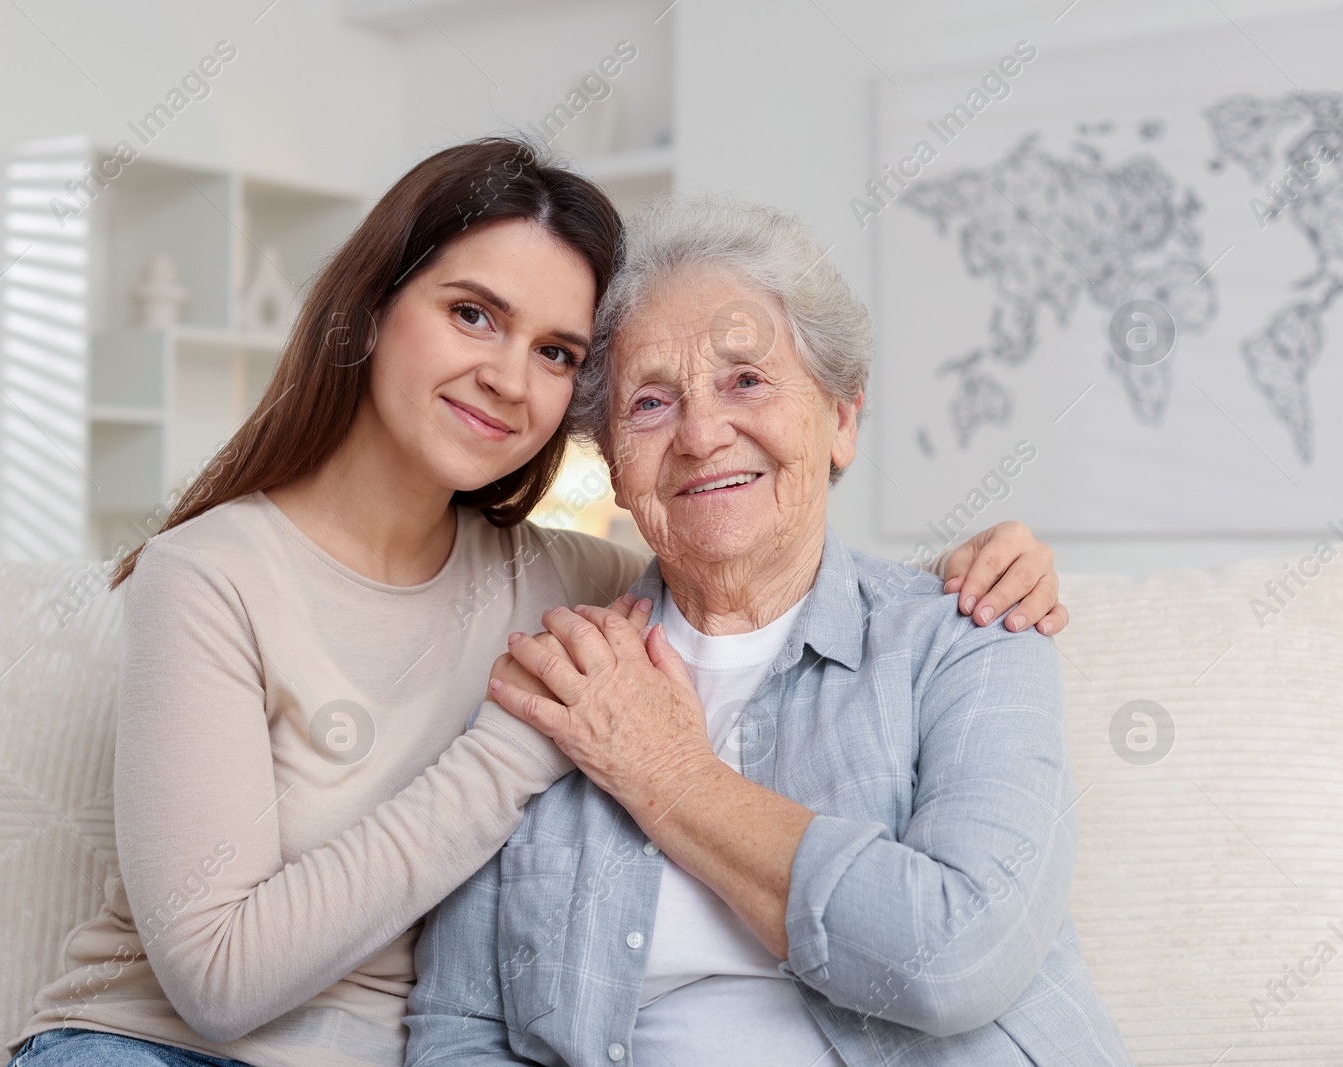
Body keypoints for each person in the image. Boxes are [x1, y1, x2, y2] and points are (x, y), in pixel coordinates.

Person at [6, 141, 1069, 1067]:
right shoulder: (230, 579)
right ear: (371, 309)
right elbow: (248, 983)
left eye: (556, 352)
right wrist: (521, 743)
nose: (509, 380)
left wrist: (972, 569)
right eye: (473, 313)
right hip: (155, 1045)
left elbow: (748, 558)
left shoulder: (576, 586)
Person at [405, 195, 1129, 1066]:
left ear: (842, 420)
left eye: (746, 380)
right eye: (651, 404)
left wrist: (667, 774)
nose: (704, 435)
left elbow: (957, 958)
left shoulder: (973, 635)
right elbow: (458, 1028)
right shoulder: (555, 682)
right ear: (615, 468)